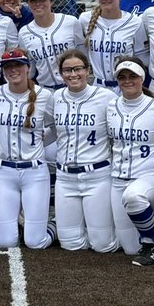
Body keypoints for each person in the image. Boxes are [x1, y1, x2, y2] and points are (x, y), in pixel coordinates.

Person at [107, 57, 154, 265]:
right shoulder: (111, 106)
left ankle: (150, 244)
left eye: (133, 76)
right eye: (122, 77)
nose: (127, 81)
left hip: (153, 178)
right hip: (118, 180)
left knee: (135, 196)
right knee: (130, 248)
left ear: (142, 78)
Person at [0, 49, 55, 250]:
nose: (13, 70)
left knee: (35, 242)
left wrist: (41, 141)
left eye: (18, 65)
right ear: (2, 71)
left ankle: (57, 225)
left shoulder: (44, 96)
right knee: (5, 242)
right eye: (8, 67)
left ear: (28, 68)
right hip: (3, 172)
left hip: (34, 172)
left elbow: (57, 128)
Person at [51, 49, 117, 252]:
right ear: (61, 74)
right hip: (65, 178)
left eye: (78, 69)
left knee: (102, 245)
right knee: (70, 244)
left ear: (87, 70)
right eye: (67, 70)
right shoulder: (56, 97)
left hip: (97, 176)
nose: (73, 74)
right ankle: (53, 225)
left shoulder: (106, 97)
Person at [84, 0, 147, 92]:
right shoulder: (85, 19)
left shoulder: (135, 22)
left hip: (125, 88)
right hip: (98, 87)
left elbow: (141, 59)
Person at [19, 0, 84, 90]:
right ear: (28, 4)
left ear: (51, 1)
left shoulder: (70, 22)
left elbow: (83, 56)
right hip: (45, 90)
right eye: (33, 0)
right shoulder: (24, 33)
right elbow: (30, 71)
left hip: (73, 87)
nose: (37, 3)